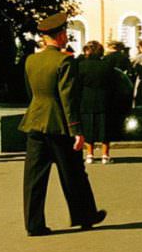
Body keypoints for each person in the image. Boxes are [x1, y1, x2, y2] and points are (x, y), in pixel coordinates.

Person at [18, 12, 106, 237]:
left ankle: (34, 224)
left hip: (35, 121)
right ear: (59, 35)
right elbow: (68, 97)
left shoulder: (31, 60)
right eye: (65, 32)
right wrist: (76, 129)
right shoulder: (64, 60)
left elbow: (31, 92)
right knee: (73, 172)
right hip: (58, 124)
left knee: (34, 178)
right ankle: (84, 215)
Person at [76, 41, 116, 164]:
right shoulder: (107, 65)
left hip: (86, 98)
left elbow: (77, 84)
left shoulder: (81, 66)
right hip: (104, 98)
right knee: (105, 127)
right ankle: (105, 155)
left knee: (88, 127)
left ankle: (89, 154)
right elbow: (113, 83)